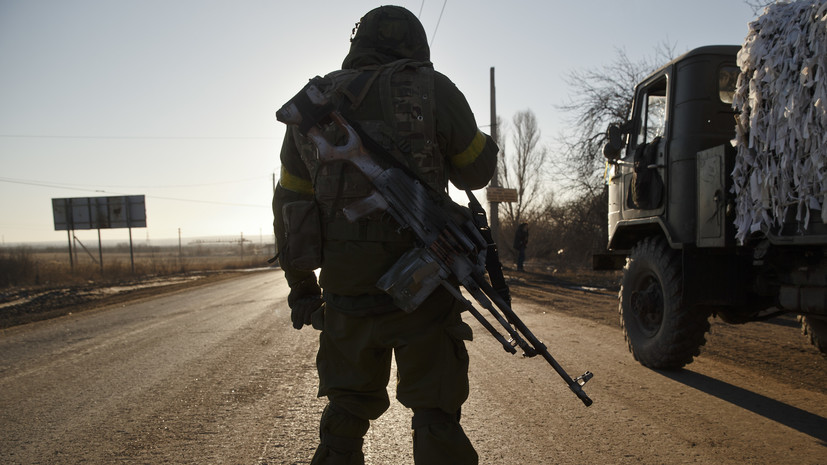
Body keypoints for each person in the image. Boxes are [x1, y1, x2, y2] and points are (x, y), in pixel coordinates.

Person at [272, 6, 498, 465]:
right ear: (417, 45)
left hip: (346, 294)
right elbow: (477, 171)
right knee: (436, 416)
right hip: (426, 290)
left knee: (345, 414)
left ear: (358, 45)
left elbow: (289, 212)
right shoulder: (434, 89)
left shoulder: (315, 106)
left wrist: (303, 293)